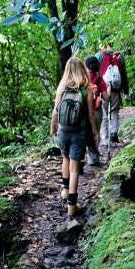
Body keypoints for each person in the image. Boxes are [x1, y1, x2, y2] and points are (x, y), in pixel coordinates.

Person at [50, 57, 99, 217]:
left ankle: (64, 191)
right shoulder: (87, 89)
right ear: (82, 69)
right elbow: (91, 115)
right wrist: (95, 132)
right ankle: (72, 206)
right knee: (75, 167)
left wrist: (53, 127)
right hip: (79, 132)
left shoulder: (62, 88)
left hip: (63, 131)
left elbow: (55, 111)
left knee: (65, 159)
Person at [96, 42, 129, 145]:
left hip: (103, 89)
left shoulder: (99, 55)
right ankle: (114, 135)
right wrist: (126, 90)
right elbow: (123, 74)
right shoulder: (119, 56)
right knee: (114, 112)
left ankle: (104, 139)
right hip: (116, 89)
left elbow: (95, 72)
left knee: (104, 114)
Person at [84, 55, 109, 165]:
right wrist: (108, 88)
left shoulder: (82, 78)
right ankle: (93, 158)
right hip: (96, 110)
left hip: (84, 110)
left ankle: (80, 159)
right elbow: (106, 97)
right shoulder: (100, 80)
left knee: (84, 132)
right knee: (95, 133)